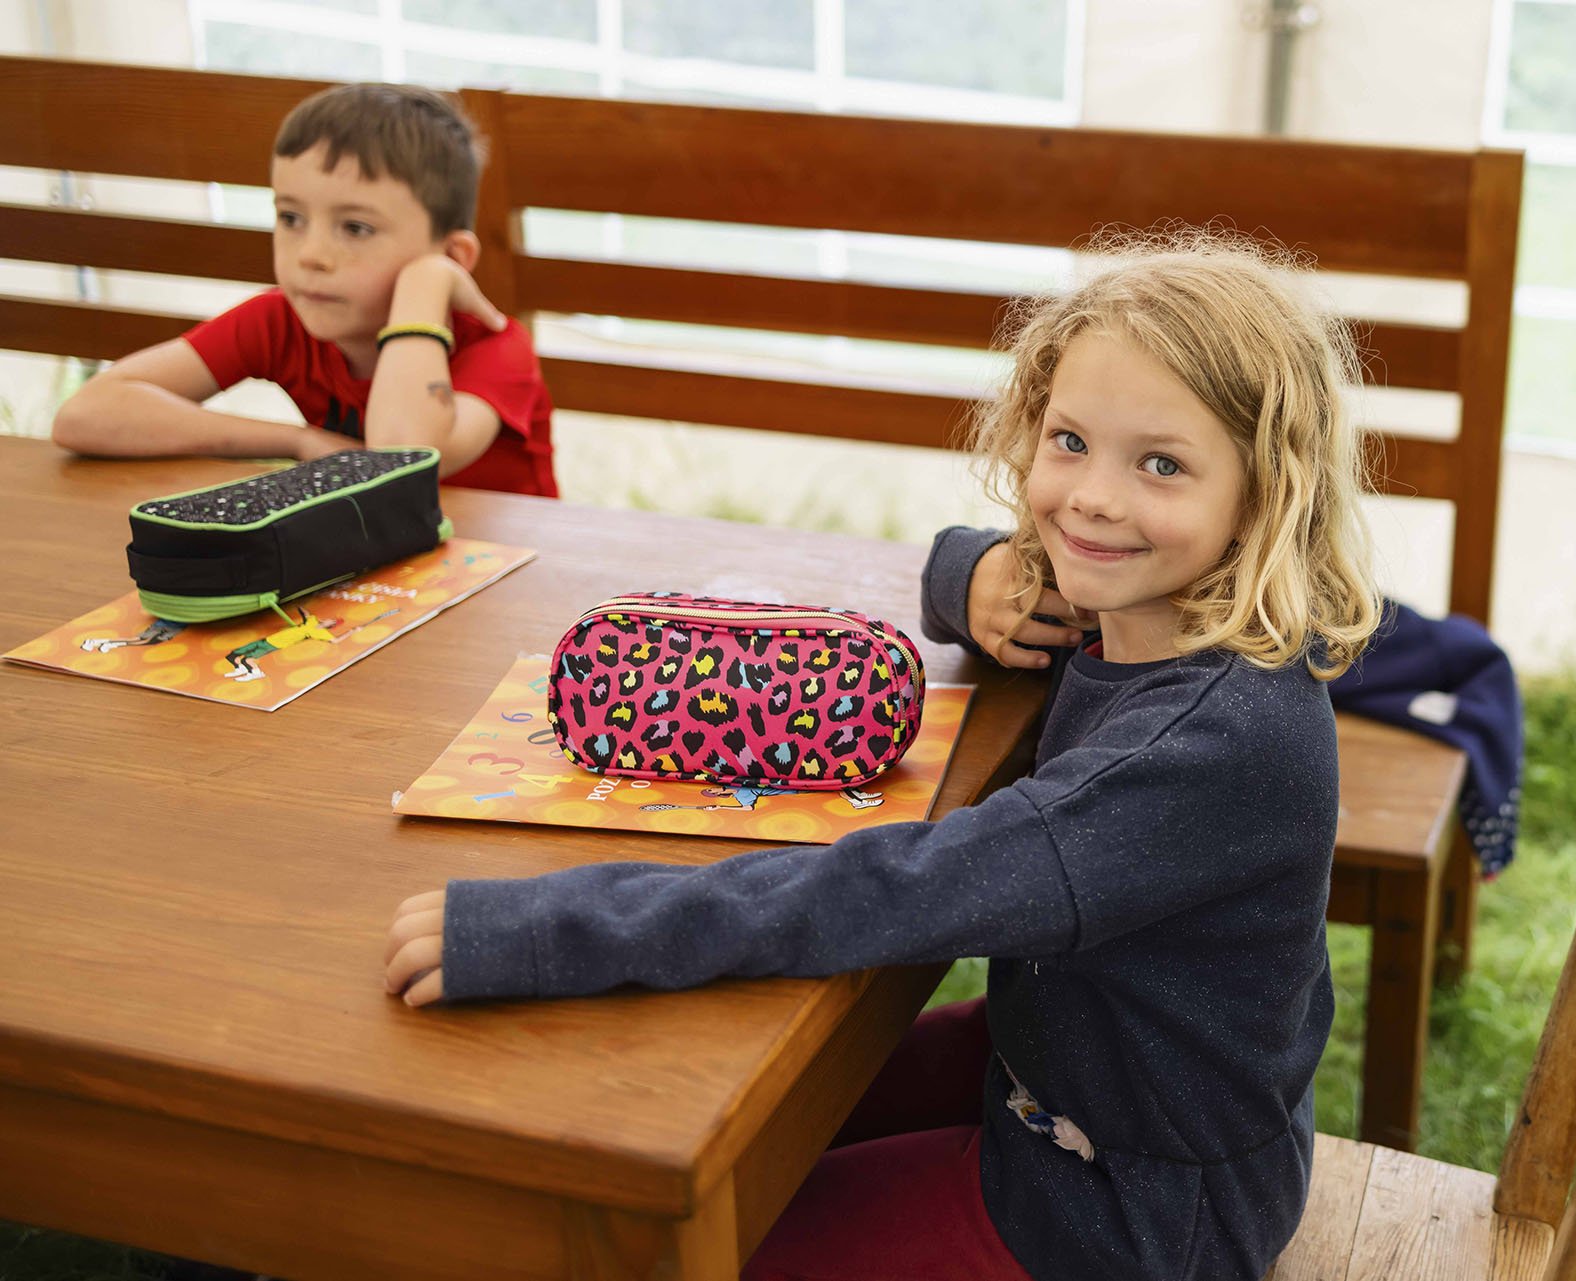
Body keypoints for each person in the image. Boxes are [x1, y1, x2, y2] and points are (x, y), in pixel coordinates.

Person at [383, 232, 1381, 1281]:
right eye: (1070, 440)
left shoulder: (1212, 743)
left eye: (1161, 464)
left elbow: (908, 887)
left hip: (1124, 1210)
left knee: (696, 1245)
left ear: (1267, 492)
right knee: (728, 1119)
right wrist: (980, 577)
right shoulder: (1142, 604)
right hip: (1067, 1070)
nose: (1092, 497)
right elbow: (956, 565)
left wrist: (556, 926)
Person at [50, 83, 557, 497]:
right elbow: (86, 415)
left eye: (355, 228)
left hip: (516, 573)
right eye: (291, 217)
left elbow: (402, 456)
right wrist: (297, 440)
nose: (310, 254)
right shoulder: (281, 321)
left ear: (452, 258)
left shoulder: (497, 348)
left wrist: (426, 285)